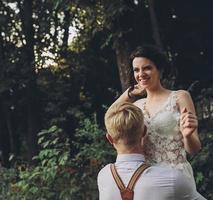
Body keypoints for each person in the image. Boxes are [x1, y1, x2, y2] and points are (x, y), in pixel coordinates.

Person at [111, 45, 201, 188]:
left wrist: (188, 135)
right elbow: (110, 116)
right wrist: (128, 94)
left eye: (147, 68)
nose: (141, 74)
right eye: (136, 70)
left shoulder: (180, 97)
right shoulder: (137, 106)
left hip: (177, 177)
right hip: (147, 179)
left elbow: (194, 149)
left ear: (160, 69)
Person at [97, 102, 206, 200]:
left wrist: (129, 94)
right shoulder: (172, 179)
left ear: (109, 139)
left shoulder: (103, 176)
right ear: (144, 131)